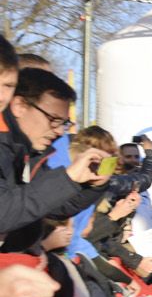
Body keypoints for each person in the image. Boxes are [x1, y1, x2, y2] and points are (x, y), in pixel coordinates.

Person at [0, 63, 110, 253]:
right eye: (54, 120)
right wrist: (68, 178)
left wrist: (93, 185)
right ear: (20, 106)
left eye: (64, 123)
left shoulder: (29, 153)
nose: (59, 131)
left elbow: (56, 207)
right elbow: (4, 212)